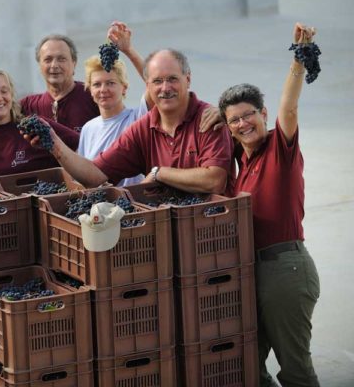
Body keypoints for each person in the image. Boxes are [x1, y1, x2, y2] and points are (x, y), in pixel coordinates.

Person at [218, 23, 320, 387]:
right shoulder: (238, 166)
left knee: (294, 369)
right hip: (251, 272)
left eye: (249, 114)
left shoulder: (281, 149)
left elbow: (289, 108)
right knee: (247, 366)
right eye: (234, 120)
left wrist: (299, 59)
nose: (243, 123)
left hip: (286, 270)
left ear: (262, 113)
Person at [36, 49, 233, 193]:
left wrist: (160, 173)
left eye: (172, 79)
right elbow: (95, 175)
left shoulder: (209, 120)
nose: (165, 88)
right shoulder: (142, 128)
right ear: (148, 85)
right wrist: (54, 144)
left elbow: (214, 181)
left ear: (187, 79)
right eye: (157, 81)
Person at [78, 22, 153, 186]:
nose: (103, 89)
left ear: (124, 88)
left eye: (111, 83)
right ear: (90, 90)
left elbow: (153, 82)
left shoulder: (138, 118)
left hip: (132, 205)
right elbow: (84, 175)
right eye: (97, 84)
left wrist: (128, 51)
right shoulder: (88, 129)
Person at [19, 34, 98, 132]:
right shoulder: (27, 107)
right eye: (48, 59)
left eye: (61, 59)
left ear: (74, 63)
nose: (54, 65)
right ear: (39, 66)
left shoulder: (95, 96)